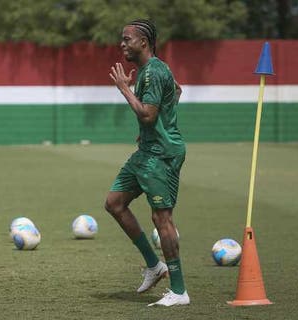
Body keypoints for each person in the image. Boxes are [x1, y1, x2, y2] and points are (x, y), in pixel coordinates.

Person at [105, 19, 189, 307]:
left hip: (162, 154)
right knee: (114, 203)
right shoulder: (151, 70)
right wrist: (150, 131)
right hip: (148, 149)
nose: (122, 44)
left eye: (127, 39)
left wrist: (124, 89)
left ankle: (179, 291)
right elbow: (177, 90)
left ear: (144, 42)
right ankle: (155, 267)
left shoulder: (152, 72)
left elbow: (148, 115)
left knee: (161, 219)